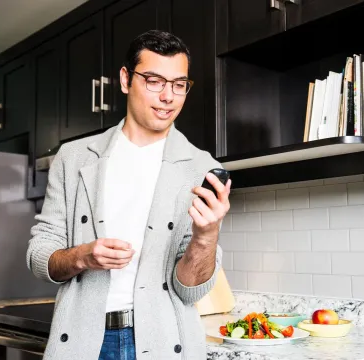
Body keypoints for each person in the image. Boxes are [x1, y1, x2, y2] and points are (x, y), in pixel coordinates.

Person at [26, 29, 231, 360]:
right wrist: (83, 257)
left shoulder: (201, 168)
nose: (168, 97)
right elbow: (39, 254)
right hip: (83, 341)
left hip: (165, 341)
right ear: (125, 79)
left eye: (179, 85)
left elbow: (190, 288)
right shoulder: (74, 157)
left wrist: (206, 237)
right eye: (154, 81)